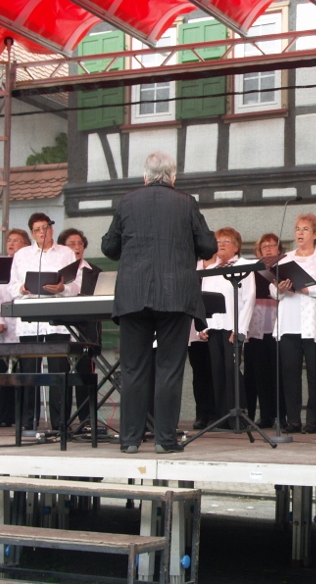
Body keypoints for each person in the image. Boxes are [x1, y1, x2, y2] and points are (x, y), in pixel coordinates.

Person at [101, 151, 216, 454]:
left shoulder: (127, 201)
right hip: (175, 294)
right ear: (173, 177)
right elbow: (208, 246)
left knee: (133, 369)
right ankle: (164, 440)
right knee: (169, 369)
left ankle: (129, 440)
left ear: (145, 176)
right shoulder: (186, 202)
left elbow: (109, 247)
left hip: (133, 294)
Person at [9, 212, 83, 432]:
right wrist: (21, 289)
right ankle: (28, 420)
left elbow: (77, 284)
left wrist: (63, 288)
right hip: (29, 321)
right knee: (29, 372)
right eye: (37, 229)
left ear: (52, 228)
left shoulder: (66, 253)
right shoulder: (22, 254)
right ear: (32, 233)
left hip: (57, 321)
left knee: (59, 373)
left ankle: (61, 422)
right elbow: (11, 285)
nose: (42, 232)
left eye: (46, 227)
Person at [272, 214, 316, 434]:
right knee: (289, 373)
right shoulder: (285, 259)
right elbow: (273, 290)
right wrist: (280, 288)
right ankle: (293, 419)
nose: (300, 233)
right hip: (289, 323)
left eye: (305, 229)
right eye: (297, 229)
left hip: (314, 325)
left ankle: (313, 419)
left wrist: (308, 289)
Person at [198, 228, 256, 429]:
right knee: (218, 371)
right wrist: (202, 327)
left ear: (237, 246)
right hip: (214, 327)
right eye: (218, 241)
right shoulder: (211, 269)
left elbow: (248, 299)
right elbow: (203, 299)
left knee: (232, 370)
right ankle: (222, 416)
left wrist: (240, 328)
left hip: (233, 327)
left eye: (226, 240)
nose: (221, 244)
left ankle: (238, 415)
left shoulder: (244, 266)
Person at [57, 227, 102, 430]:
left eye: (79, 243)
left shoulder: (95, 271)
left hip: (87, 330)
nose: (76, 247)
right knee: (61, 377)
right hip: (63, 329)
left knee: (85, 376)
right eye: (71, 244)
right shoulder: (58, 271)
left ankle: (86, 420)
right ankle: (61, 422)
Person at [0, 228, 30, 427]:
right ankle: (6, 416)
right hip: (6, 327)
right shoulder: (0, 266)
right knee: (7, 372)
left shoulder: (28, 262)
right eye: (9, 240)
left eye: (17, 240)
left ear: (26, 245)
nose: (11, 243)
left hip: (26, 325)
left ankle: (25, 416)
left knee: (27, 372)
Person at [245, 233, 285, 428]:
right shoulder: (252, 269)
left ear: (279, 249)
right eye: (264, 246)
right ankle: (266, 415)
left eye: (272, 245)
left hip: (279, 324)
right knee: (260, 373)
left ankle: (282, 415)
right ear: (258, 251)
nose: (268, 249)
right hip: (257, 326)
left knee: (279, 372)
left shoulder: (285, 267)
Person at [188, 252, 217, 430]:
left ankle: (216, 414)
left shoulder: (221, 268)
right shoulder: (193, 267)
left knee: (216, 372)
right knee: (199, 374)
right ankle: (202, 414)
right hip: (195, 328)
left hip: (216, 327)